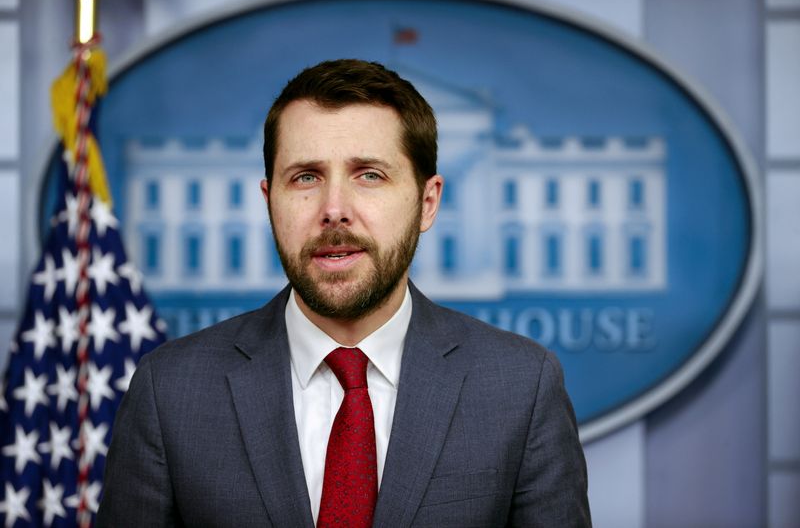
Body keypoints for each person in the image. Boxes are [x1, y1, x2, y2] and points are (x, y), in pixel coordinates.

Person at [97, 59, 591, 527]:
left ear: (427, 202)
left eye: (369, 176)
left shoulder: (522, 389)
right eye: (306, 177)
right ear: (271, 202)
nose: (334, 209)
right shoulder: (170, 391)